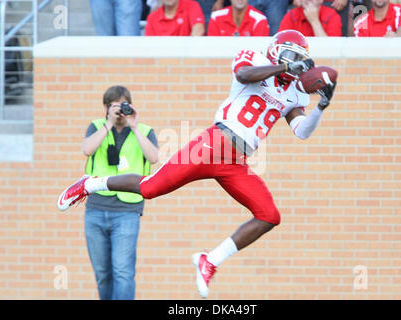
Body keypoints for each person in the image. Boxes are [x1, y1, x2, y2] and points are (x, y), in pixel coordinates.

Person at [57, 30, 336, 299]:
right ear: (276, 51)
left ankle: (210, 260)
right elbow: (243, 74)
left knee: (269, 215)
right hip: (213, 143)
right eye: (289, 54)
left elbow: (301, 131)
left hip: (236, 161)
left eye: (297, 57)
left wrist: (321, 106)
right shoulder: (254, 58)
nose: (293, 62)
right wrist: (282, 66)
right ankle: (90, 184)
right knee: (150, 188)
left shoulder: (296, 93)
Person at [77, 86, 159, 300]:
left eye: (123, 105)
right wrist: (109, 123)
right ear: (106, 107)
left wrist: (135, 127)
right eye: (114, 106)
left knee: (123, 272)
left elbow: (153, 157)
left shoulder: (144, 129)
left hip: (127, 210)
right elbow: (87, 149)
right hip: (96, 209)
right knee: (103, 274)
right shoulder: (96, 126)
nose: (119, 111)